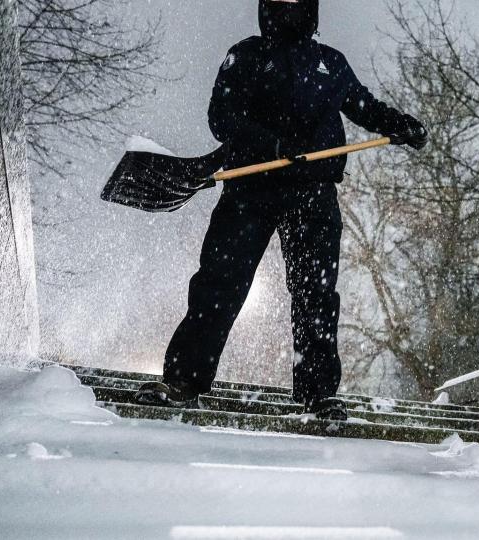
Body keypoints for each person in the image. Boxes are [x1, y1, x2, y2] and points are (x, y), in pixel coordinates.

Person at [135, 0, 427, 420]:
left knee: (317, 295)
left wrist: (399, 124)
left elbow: (363, 105)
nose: (289, 9)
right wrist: (271, 144)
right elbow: (222, 116)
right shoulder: (246, 54)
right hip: (250, 186)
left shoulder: (331, 63)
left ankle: (317, 395)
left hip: (313, 193)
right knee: (220, 284)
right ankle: (183, 382)